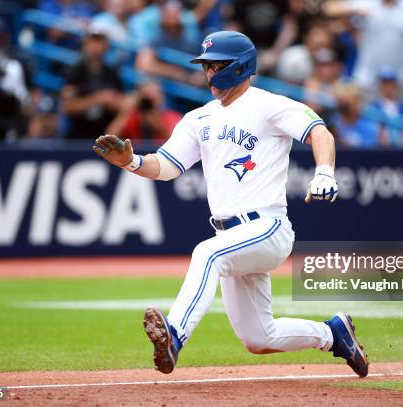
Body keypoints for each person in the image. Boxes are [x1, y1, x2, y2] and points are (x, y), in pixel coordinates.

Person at [93, 31, 369, 377]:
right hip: (231, 234)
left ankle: (175, 334)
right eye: (206, 66)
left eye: (216, 65)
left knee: (207, 254)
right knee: (258, 337)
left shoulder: (268, 104)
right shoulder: (199, 118)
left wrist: (325, 172)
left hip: (267, 226)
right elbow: (165, 167)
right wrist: (130, 162)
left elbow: (319, 131)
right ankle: (333, 334)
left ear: (239, 68)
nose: (209, 72)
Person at [61, 24, 124, 140]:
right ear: (85, 43)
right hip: (78, 137)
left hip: (104, 137)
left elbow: (121, 104)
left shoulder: (111, 73)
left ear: (106, 45)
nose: (95, 45)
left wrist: (113, 102)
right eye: (92, 40)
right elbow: (67, 106)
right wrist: (97, 99)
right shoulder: (75, 71)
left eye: (99, 41)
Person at [106, 80, 182, 145]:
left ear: (162, 98)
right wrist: (126, 111)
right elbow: (108, 139)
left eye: (154, 96)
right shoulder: (132, 119)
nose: (150, 101)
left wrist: (159, 126)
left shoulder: (173, 117)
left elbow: (180, 143)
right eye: (146, 96)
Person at [329, 83, 383, 148]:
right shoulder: (331, 124)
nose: (348, 107)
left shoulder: (370, 127)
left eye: (351, 102)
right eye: (344, 103)